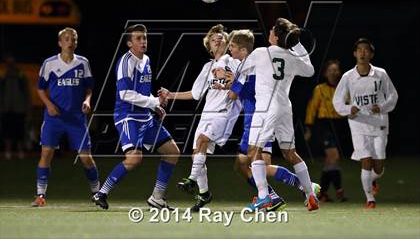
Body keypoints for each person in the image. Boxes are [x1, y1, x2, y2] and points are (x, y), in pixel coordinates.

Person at [157, 24, 282, 212]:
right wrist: (170, 95)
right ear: (208, 45)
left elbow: (242, 87)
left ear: (228, 43)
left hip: (224, 114)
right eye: (213, 37)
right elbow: (196, 93)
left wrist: (230, 82)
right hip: (207, 114)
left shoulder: (235, 62)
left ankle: (191, 180)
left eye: (221, 37)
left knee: (204, 141)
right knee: (197, 155)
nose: (217, 38)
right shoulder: (208, 67)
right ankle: (205, 193)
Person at [226, 29, 320, 210]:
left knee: (253, 150)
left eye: (272, 30)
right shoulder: (292, 57)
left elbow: (241, 69)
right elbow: (310, 71)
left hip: (266, 107)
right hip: (285, 108)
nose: (269, 32)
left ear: (276, 36)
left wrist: (233, 83)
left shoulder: (261, 52)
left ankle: (264, 197)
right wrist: (297, 45)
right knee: (290, 153)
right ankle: (310, 194)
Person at [92, 24, 180, 210]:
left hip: (144, 117)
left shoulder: (146, 60)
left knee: (172, 152)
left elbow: (141, 92)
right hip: (127, 116)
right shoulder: (126, 62)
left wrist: (154, 105)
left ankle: (157, 197)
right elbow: (125, 94)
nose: (143, 41)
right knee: (134, 158)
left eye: (145, 38)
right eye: (139, 38)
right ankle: (101, 193)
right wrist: (154, 102)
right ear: (129, 43)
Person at [32, 28, 99, 207]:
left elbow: (89, 88)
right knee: (46, 153)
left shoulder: (83, 63)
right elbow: (40, 89)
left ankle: (97, 193)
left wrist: (87, 100)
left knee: (86, 158)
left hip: (76, 118)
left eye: (73, 39)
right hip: (54, 118)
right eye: (66, 39)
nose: (70, 42)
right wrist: (49, 104)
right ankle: (40, 195)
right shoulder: (50, 63)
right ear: (60, 42)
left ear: (76, 43)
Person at [333, 38, 398, 209]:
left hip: (379, 123)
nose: (362, 52)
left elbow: (393, 96)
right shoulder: (348, 77)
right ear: (354, 54)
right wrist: (349, 109)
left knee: (378, 167)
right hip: (358, 124)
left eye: (366, 50)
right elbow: (337, 101)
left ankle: (373, 180)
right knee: (366, 161)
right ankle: (370, 199)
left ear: (371, 54)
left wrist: (382, 107)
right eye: (359, 50)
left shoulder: (381, 74)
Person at [304, 59, 348, 202]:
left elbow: (350, 106)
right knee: (333, 157)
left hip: (339, 125)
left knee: (331, 161)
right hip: (324, 126)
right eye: (331, 70)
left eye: (336, 70)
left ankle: (321, 193)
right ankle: (339, 190)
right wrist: (308, 128)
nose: (333, 73)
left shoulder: (344, 89)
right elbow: (312, 108)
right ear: (325, 74)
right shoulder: (320, 89)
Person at [0, 54, 31, 160]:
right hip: (6, 109)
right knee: (7, 132)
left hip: (19, 109)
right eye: (8, 63)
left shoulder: (21, 77)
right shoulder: (3, 77)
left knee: (20, 132)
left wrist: (27, 108)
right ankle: (8, 152)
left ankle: (20, 151)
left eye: (11, 63)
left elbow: (27, 94)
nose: (10, 65)